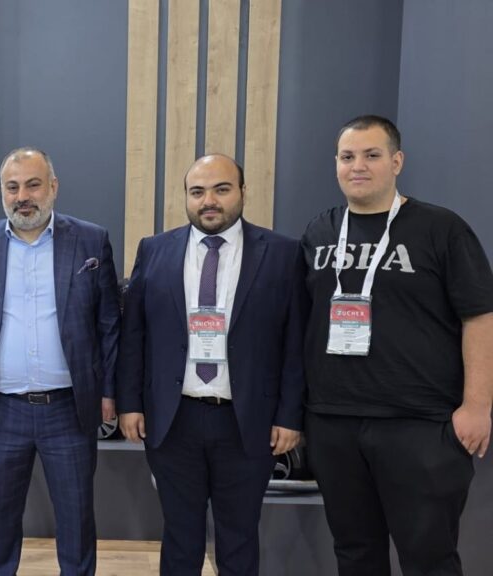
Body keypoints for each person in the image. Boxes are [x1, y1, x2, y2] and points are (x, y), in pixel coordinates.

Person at [301, 115, 493, 576]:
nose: (358, 166)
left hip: (419, 425)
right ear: (336, 164)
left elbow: (480, 316)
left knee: (429, 558)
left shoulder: (440, 228)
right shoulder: (320, 231)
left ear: (397, 161)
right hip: (334, 422)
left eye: (372, 155)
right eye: (347, 157)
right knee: (354, 553)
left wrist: (477, 406)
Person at [116, 154, 306, 575]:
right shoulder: (155, 250)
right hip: (174, 420)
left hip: (247, 421)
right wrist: (130, 404)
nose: (209, 201)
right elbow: (134, 335)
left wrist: (290, 415)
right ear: (186, 197)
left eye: (221, 189)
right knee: (179, 535)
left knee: (239, 536)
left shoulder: (282, 253)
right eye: (197, 192)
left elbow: (295, 343)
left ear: (242, 192)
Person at [0, 147, 120, 575]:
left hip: (69, 408)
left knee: (76, 519)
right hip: (2, 411)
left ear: (53, 187)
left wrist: (109, 391)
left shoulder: (90, 241)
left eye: (33, 185)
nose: (22, 197)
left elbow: (109, 324)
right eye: (12, 187)